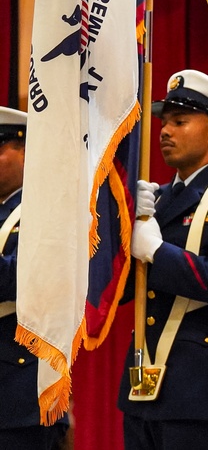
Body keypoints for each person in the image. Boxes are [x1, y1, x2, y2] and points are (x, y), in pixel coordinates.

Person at [118, 69, 208, 449]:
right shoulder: (157, 200)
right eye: (164, 123)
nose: (165, 131)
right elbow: (126, 291)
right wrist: (120, 227)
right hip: (143, 382)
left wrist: (156, 250)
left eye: (180, 121)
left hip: (200, 390)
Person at [0, 107, 70, 449]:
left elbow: (29, 280)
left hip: (20, 387)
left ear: (28, 152)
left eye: (0, 149)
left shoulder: (49, 212)